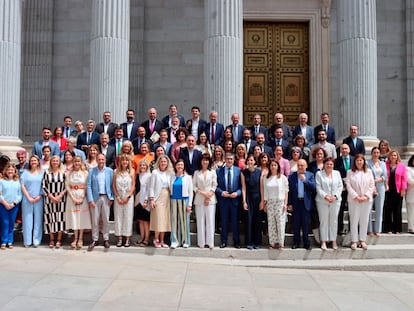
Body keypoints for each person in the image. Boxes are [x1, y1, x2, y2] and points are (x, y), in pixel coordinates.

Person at [346, 154, 375, 250]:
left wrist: (366, 196)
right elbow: (348, 185)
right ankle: (354, 240)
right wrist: (356, 196)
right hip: (354, 200)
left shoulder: (369, 172)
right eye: (357, 160)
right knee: (354, 220)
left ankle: (362, 240)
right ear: (354, 162)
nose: (359, 162)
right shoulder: (350, 172)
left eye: (361, 160)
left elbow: (372, 185)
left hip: (366, 200)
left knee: (364, 220)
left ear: (364, 162)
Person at [87, 153, 114, 251]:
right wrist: (90, 199)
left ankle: (106, 239)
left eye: (102, 159)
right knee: (95, 220)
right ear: (97, 160)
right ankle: (95, 239)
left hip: (106, 197)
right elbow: (89, 185)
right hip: (95, 198)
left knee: (106, 219)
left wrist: (112, 198)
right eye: (99, 159)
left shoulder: (110, 171)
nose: (101, 161)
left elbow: (112, 185)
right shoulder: (92, 171)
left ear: (105, 160)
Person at [315, 157, 343, 250]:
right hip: (322, 201)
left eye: (331, 164)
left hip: (335, 201)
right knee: (323, 221)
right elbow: (318, 188)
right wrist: (326, 196)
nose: (329, 166)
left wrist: (335, 196)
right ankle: (323, 241)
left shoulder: (337, 173)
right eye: (327, 164)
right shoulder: (319, 174)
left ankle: (333, 240)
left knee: (334, 220)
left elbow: (340, 186)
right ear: (324, 165)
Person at [215, 153, 242, 248]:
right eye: (227, 159)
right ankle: (223, 241)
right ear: (224, 160)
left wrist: (238, 193)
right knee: (224, 221)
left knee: (235, 222)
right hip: (223, 200)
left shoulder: (238, 171)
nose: (229, 161)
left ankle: (236, 241)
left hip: (235, 200)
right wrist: (221, 192)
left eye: (231, 159)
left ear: (234, 160)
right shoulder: (219, 171)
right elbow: (215, 186)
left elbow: (242, 186)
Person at [261, 159, 289, 249]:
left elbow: (286, 191)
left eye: (275, 165)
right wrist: (264, 203)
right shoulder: (266, 178)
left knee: (280, 222)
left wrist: (285, 203)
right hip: (270, 202)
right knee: (271, 222)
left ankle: (281, 243)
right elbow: (265, 190)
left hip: (280, 202)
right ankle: (272, 242)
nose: (273, 167)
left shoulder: (282, 178)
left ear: (278, 167)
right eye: (272, 165)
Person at [288, 159, 316, 250]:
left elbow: (314, 187)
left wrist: (305, 181)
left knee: (305, 224)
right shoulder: (292, 176)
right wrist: (289, 203)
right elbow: (289, 191)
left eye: (302, 165)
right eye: (298, 165)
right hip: (296, 202)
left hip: (306, 203)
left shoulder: (310, 175)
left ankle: (306, 242)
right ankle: (296, 242)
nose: (300, 167)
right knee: (296, 224)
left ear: (306, 166)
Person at [65, 156, 91, 249]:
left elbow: (86, 185)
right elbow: (67, 186)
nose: (77, 163)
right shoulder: (69, 173)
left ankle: (80, 238)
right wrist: (73, 198)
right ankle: (75, 238)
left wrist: (82, 197)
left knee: (81, 217)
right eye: (75, 161)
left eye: (79, 161)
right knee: (74, 217)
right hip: (72, 196)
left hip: (82, 196)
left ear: (81, 162)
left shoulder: (85, 173)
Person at [148, 155, 173, 248]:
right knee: (158, 219)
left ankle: (162, 240)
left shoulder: (169, 173)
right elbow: (151, 187)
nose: (163, 163)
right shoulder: (155, 172)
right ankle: (156, 239)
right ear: (158, 162)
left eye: (165, 162)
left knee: (164, 219)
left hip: (166, 197)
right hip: (157, 197)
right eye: (161, 161)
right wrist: (151, 199)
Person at [193, 153, 217, 249]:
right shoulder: (196, 173)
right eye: (203, 160)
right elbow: (194, 186)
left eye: (207, 160)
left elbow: (214, 185)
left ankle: (210, 242)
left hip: (210, 200)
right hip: (199, 199)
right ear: (200, 161)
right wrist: (203, 194)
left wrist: (208, 196)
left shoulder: (213, 172)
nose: (205, 162)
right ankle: (201, 242)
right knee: (200, 221)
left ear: (209, 161)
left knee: (210, 221)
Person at [42, 155, 67, 249]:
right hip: (50, 199)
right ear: (51, 162)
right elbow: (44, 186)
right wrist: (51, 197)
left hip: (61, 199)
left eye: (57, 161)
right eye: (54, 161)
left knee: (60, 218)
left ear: (59, 162)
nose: (55, 162)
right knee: (50, 218)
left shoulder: (63, 172)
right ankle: (52, 239)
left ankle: (59, 240)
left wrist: (60, 196)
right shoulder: (47, 172)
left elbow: (66, 185)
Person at [112, 154, 135, 248]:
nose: (124, 162)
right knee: (118, 217)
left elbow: (133, 185)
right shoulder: (115, 172)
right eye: (123, 160)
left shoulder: (132, 172)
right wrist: (117, 197)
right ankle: (120, 238)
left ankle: (127, 238)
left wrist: (128, 197)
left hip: (128, 197)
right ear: (120, 162)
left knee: (128, 217)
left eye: (126, 160)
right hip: (118, 197)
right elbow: (113, 185)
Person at [20, 155, 44, 248]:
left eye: (35, 160)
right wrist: (28, 197)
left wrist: (40, 195)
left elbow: (44, 185)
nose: (33, 162)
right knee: (27, 220)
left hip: (39, 198)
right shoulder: (25, 173)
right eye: (32, 160)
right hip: (27, 199)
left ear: (38, 162)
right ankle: (27, 241)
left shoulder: (42, 173)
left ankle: (36, 240)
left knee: (38, 220)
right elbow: (22, 185)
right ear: (29, 162)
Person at [169, 159, 193, 248]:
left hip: (184, 200)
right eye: (178, 165)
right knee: (174, 221)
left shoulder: (188, 177)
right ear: (175, 166)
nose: (180, 166)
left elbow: (191, 192)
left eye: (181, 165)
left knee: (184, 222)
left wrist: (189, 204)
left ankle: (185, 241)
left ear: (184, 167)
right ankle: (175, 241)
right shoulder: (172, 176)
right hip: (173, 200)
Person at [241, 155, 262, 249]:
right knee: (248, 220)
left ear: (255, 162)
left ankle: (257, 242)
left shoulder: (259, 172)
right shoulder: (243, 173)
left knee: (257, 220)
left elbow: (261, 187)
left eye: (252, 160)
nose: (250, 161)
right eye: (248, 160)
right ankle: (249, 242)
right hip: (248, 197)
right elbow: (243, 188)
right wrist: (244, 201)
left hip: (257, 197)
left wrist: (262, 201)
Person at [383, 150, 407, 234]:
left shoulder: (401, 166)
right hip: (388, 191)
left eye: (395, 155)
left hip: (398, 190)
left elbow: (404, 178)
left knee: (397, 210)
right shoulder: (385, 165)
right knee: (388, 209)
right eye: (392, 155)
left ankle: (397, 229)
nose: (393, 157)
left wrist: (403, 189)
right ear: (389, 156)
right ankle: (388, 228)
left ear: (397, 157)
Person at [0, 163, 22, 249]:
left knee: (11, 223)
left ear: (15, 171)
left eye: (12, 170)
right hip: (3, 205)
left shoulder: (17, 182)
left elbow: (20, 195)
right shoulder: (1, 181)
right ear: (6, 171)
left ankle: (10, 241)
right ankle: (3, 241)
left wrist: (13, 203)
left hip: (14, 206)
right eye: (8, 170)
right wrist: (5, 203)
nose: (10, 171)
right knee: (4, 223)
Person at [367, 147, 387, 236]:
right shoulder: (367, 163)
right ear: (372, 153)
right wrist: (373, 182)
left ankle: (378, 229)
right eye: (374, 152)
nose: (376, 154)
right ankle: (370, 229)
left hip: (381, 187)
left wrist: (377, 180)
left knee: (379, 208)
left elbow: (385, 176)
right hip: (370, 187)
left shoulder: (382, 164)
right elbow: (367, 174)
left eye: (377, 152)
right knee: (369, 209)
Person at [334, 143, 354, 235]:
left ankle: (352, 229)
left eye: (346, 148)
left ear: (349, 150)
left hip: (353, 188)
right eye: (343, 149)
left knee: (352, 209)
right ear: (340, 151)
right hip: (341, 189)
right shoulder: (336, 161)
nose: (344, 150)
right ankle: (340, 229)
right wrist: (343, 184)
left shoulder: (354, 159)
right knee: (340, 209)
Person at [134, 160, 151, 247]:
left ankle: (146, 239)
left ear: (147, 166)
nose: (142, 167)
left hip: (145, 201)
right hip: (137, 201)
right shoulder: (137, 176)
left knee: (146, 222)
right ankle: (142, 237)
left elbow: (149, 189)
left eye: (144, 165)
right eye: (141, 165)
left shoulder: (149, 176)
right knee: (140, 221)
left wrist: (145, 200)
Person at [406, 155, 414, 234]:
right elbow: (409, 179)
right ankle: (411, 228)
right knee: (411, 212)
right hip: (411, 193)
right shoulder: (408, 169)